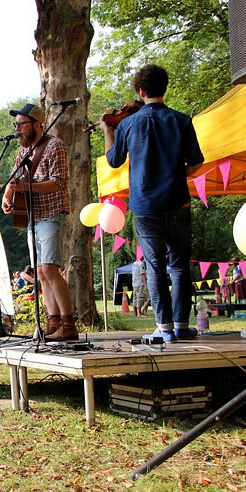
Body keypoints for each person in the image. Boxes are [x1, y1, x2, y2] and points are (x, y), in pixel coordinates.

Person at [103, 64, 204, 343]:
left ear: (141, 90)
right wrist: (174, 174)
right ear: (164, 88)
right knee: (181, 266)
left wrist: (106, 128)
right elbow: (196, 164)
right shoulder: (182, 120)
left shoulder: (127, 124)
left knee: (156, 267)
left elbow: (113, 160)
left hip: (146, 207)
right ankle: (182, 325)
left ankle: (164, 328)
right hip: (179, 203)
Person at [1, 102, 75, 340]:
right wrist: (8, 195)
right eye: (16, 125)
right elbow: (15, 178)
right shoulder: (23, 152)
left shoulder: (55, 146)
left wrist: (25, 187)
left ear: (37, 124)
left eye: (21, 124)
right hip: (31, 215)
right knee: (41, 273)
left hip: (51, 212)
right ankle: (53, 323)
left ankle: (68, 324)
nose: (17, 129)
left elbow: (58, 182)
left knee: (50, 269)